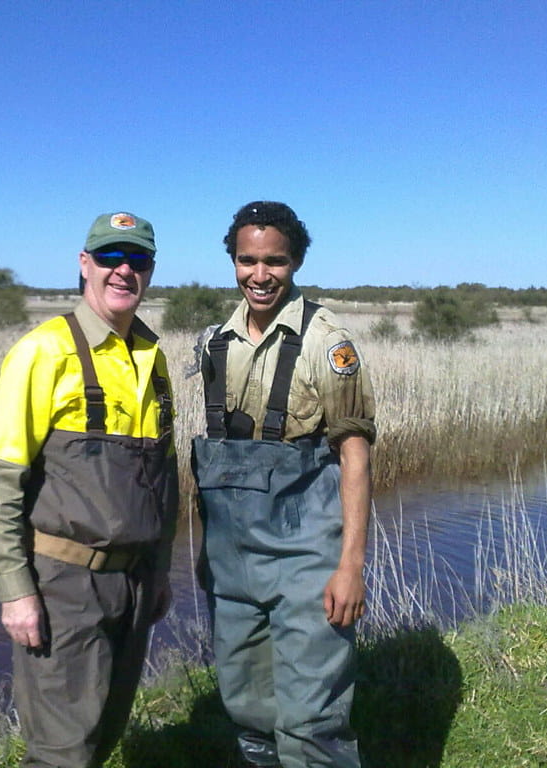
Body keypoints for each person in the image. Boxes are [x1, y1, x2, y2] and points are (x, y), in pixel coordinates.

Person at [0, 211, 178, 768]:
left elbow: (163, 479)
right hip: (65, 586)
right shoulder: (43, 351)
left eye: (137, 260)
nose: (123, 270)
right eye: (110, 257)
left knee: (104, 734)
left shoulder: (152, 359)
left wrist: (158, 572)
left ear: (150, 272)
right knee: (63, 752)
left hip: (134, 584)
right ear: (85, 264)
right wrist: (16, 591)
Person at [192, 201, 377, 768]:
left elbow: (355, 454)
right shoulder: (213, 344)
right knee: (247, 705)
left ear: (294, 261)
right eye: (247, 261)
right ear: (233, 261)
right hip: (233, 561)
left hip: (307, 558)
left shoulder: (329, 343)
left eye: (274, 261)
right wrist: (206, 554)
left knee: (309, 720)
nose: (260, 275)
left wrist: (350, 566)